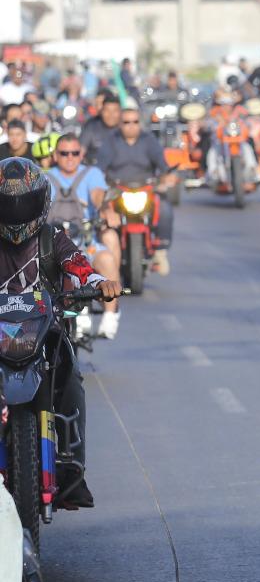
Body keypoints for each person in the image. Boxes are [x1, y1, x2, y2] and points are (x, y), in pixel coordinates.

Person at [0, 157, 120, 508]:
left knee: (72, 379)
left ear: (41, 202)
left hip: (47, 333)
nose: (18, 211)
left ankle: (72, 470)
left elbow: (82, 268)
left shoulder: (54, 239)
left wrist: (100, 283)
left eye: (25, 202)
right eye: (8, 203)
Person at [44, 132, 122, 339]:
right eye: (64, 153)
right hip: (56, 245)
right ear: (55, 155)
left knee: (105, 257)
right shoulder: (46, 177)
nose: (70, 157)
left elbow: (99, 195)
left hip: (86, 242)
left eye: (75, 153)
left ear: (81, 154)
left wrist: (106, 210)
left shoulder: (92, 173)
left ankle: (111, 313)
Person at [99, 105, 176, 272]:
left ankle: (160, 251)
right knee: (102, 214)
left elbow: (162, 165)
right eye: (126, 122)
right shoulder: (111, 141)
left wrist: (165, 179)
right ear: (120, 124)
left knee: (165, 209)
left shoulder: (149, 140)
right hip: (117, 189)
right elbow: (100, 169)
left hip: (145, 188)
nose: (131, 125)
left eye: (135, 122)